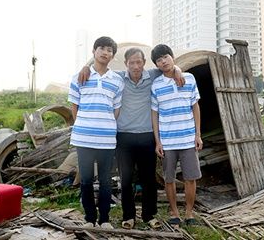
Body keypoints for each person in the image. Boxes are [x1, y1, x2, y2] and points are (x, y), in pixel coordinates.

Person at [78, 47, 184, 229]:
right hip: (124, 138)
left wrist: (179, 70)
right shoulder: (118, 77)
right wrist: (85, 67)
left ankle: (149, 215)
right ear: (126, 64)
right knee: (126, 179)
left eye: (139, 62)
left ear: (144, 63)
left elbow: (171, 67)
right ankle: (128, 216)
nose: (136, 66)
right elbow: (99, 66)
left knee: (148, 179)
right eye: (131, 63)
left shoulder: (153, 75)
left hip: (146, 136)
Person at [69, 36, 124, 229]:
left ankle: (105, 219)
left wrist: (104, 124)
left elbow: (116, 110)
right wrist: (84, 124)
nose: (105, 52)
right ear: (94, 52)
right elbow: (74, 107)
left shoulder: (117, 80)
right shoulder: (80, 77)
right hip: (83, 138)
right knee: (85, 180)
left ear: (113, 55)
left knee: (105, 180)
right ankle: (90, 219)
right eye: (101, 48)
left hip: (107, 139)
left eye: (109, 50)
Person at [150, 44, 202, 227]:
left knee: (190, 178)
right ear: (156, 65)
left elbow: (195, 106)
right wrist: (158, 141)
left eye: (165, 57)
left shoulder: (189, 78)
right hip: (167, 140)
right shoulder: (156, 85)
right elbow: (154, 114)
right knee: (169, 178)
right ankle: (174, 212)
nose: (163, 61)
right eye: (158, 60)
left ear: (172, 57)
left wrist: (198, 135)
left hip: (188, 139)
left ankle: (189, 213)